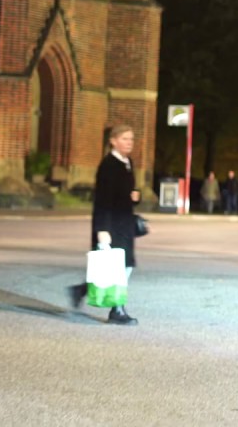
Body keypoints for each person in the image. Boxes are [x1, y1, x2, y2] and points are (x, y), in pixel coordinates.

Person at [68, 125, 141, 325]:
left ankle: (81, 290)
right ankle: (117, 310)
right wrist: (102, 230)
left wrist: (134, 198)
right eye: (125, 138)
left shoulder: (127, 163)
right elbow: (102, 200)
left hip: (124, 223)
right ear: (113, 141)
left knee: (124, 266)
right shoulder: (108, 165)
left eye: (131, 139)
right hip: (110, 225)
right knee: (120, 267)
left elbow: (125, 194)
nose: (129, 142)